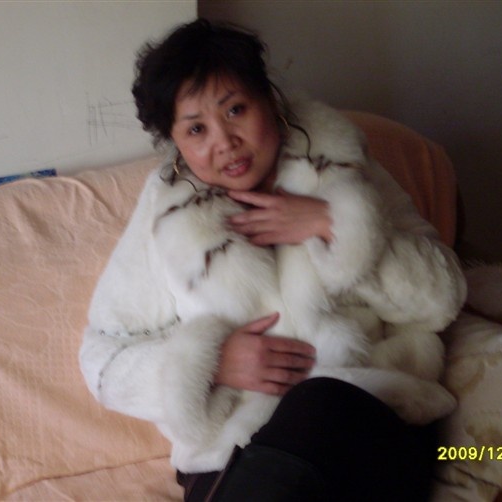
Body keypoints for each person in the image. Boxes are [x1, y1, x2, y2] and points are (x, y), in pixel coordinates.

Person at [79, 19, 466, 501]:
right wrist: (210, 364)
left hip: (368, 424)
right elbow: (102, 357)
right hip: (233, 457)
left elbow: (443, 298)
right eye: (196, 129)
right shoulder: (167, 210)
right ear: (176, 142)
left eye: (235, 110)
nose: (225, 141)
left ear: (269, 99)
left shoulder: (336, 163)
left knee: (320, 402)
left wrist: (332, 224)